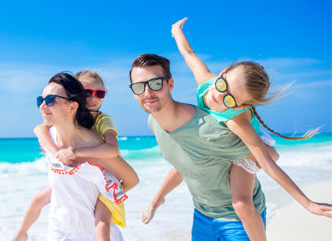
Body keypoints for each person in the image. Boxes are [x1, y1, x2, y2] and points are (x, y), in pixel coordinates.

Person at [128, 53, 331, 240]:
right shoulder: (153, 123)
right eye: (138, 86)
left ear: (170, 84)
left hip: (239, 222)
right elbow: (183, 167)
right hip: (202, 216)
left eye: (155, 83)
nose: (147, 92)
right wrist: (156, 202)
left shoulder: (213, 129)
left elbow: (270, 157)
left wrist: (308, 203)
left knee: (242, 204)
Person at [12, 73, 138, 241]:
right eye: (40, 100)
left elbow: (131, 179)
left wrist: (106, 198)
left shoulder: (94, 145)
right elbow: (39, 130)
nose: (42, 106)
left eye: (50, 100)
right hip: (59, 232)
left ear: (72, 107)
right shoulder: (49, 135)